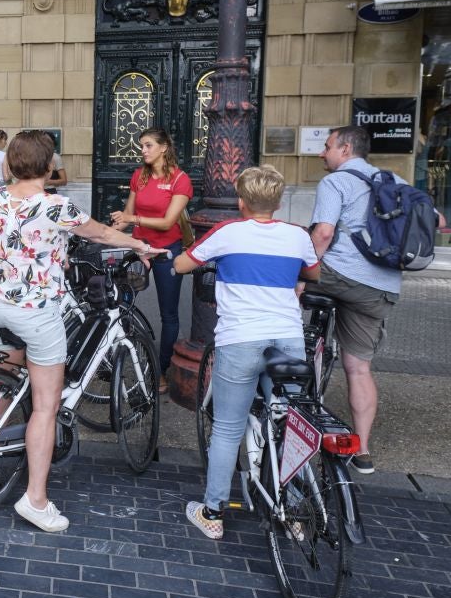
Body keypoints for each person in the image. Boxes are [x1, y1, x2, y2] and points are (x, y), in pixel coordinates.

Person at [0, 131, 163, 533]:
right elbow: (100, 233)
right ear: (50, 167)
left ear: (10, 165)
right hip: (35, 313)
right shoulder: (56, 206)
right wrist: (139, 246)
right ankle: (36, 499)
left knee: (5, 380)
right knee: (47, 406)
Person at [172, 165, 319, 539]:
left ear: (240, 201)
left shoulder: (227, 232)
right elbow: (314, 274)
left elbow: (182, 263)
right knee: (288, 425)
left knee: (227, 428)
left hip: (240, 339)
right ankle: (293, 509)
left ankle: (213, 512)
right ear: (279, 200)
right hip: (286, 340)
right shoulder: (297, 236)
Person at [309, 125, 427, 475]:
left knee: (288, 281)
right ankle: (361, 450)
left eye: (327, 147)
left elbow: (323, 233)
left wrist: (302, 273)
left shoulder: (335, 182)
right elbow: (435, 219)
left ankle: (293, 390)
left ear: (345, 150)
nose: (322, 153)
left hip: (340, 277)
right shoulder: (395, 181)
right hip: (381, 287)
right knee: (359, 368)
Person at [110, 127, 192, 380]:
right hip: (140, 250)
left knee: (168, 313)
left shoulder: (180, 179)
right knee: (121, 303)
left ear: (163, 148)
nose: (143, 150)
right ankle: (128, 355)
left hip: (167, 250)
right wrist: (100, 232)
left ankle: (162, 371)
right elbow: (125, 218)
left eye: (148, 145)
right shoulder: (140, 176)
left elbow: (168, 222)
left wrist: (132, 218)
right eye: (142, 146)